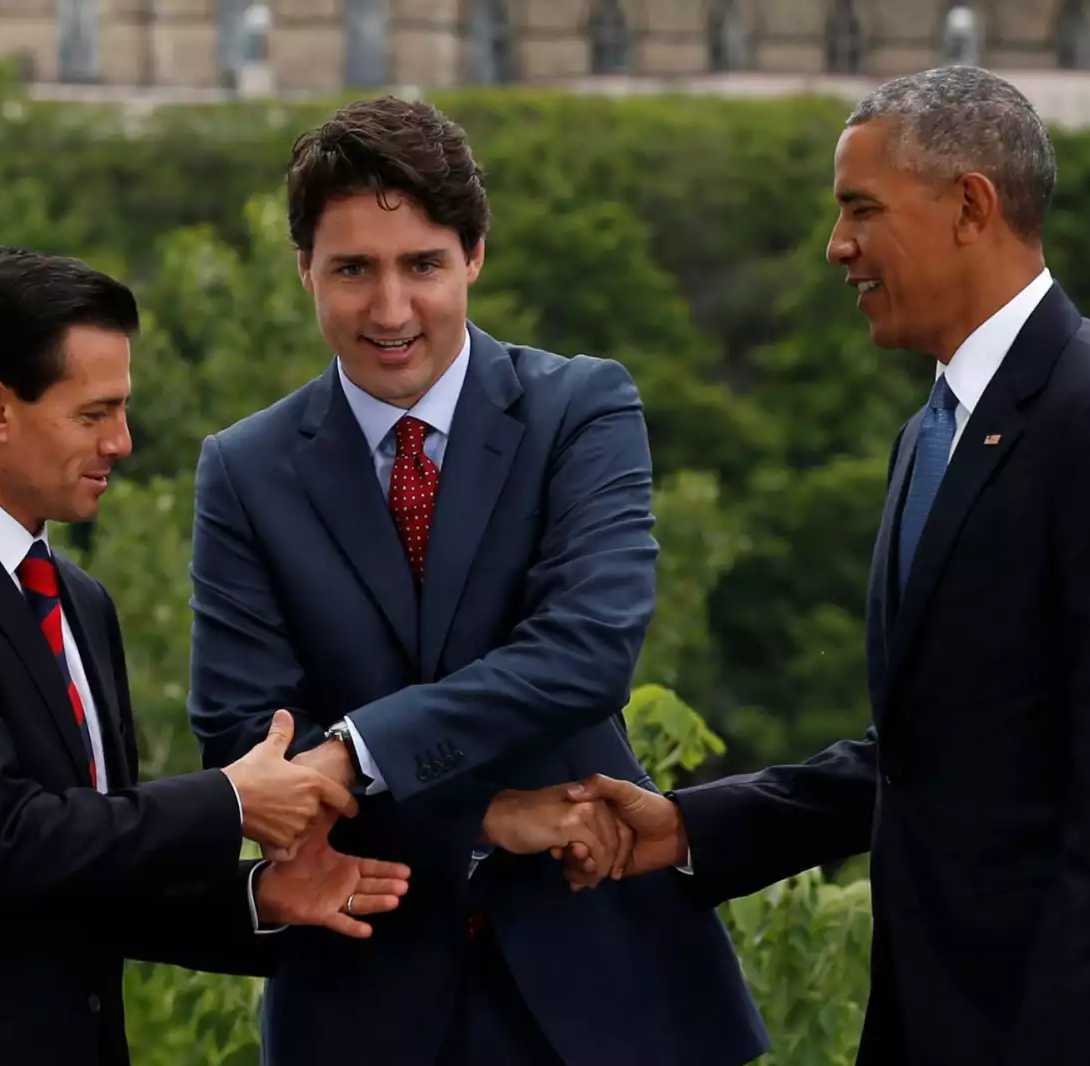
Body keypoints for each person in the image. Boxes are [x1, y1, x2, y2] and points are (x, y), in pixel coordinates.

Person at [557, 66, 1090, 1066]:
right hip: (953, 1014)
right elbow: (933, 752)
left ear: (971, 207)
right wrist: (688, 827)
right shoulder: (930, 436)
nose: (836, 246)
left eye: (861, 208)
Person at [186, 96, 768, 1066]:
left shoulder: (581, 409)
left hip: (610, 989)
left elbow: (584, 657)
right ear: (303, 272)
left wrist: (362, 749)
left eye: (421, 264)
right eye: (352, 270)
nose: (389, 309)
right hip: (362, 1000)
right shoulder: (243, 471)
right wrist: (488, 815)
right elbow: (249, 743)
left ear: (474, 256)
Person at [0, 246, 411, 1066]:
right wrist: (228, 802)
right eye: (93, 414)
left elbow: (88, 862)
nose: (124, 442)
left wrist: (260, 895)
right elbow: (1, 842)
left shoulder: (78, 600)